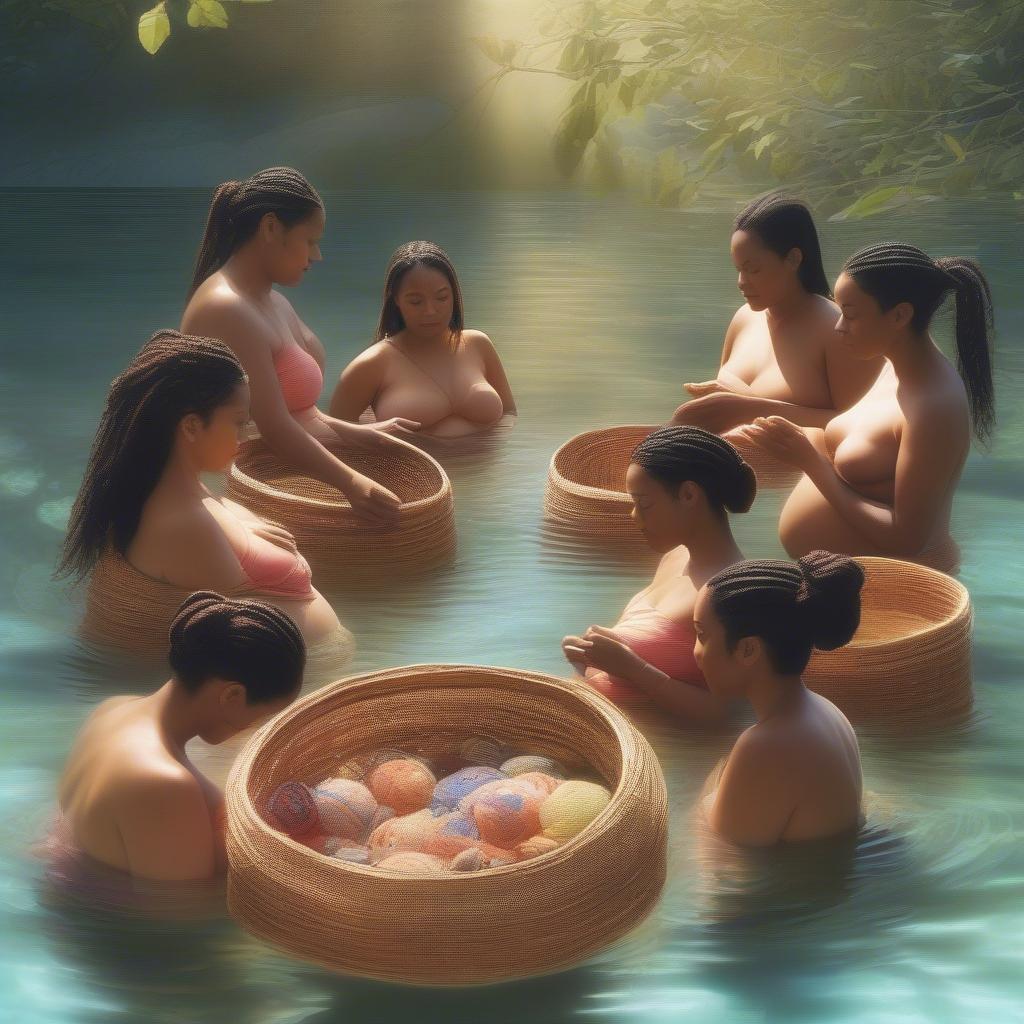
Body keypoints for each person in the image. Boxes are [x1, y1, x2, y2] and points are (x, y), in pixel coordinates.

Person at [57, 330, 342, 645]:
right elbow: (242, 637)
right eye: (238, 422)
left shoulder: (183, 492)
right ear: (191, 426)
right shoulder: (182, 524)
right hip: (295, 679)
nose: (245, 435)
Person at [735, 243, 995, 569]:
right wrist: (765, 425)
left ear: (899, 315)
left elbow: (907, 539)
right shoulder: (893, 364)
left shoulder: (935, 408)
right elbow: (864, 442)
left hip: (896, 592)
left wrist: (811, 462)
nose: (838, 326)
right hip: (843, 582)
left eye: (851, 314)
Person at [182, 166, 417, 525]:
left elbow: (301, 412)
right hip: (237, 488)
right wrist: (352, 484)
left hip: (283, 466)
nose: (317, 255)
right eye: (310, 240)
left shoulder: (271, 300)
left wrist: (365, 435)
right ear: (271, 227)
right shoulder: (226, 308)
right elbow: (274, 427)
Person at [57, 592, 304, 881]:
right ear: (233, 695)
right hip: (113, 920)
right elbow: (178, 918)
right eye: (263, 715)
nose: (257, 728)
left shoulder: (111, 711)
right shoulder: (163, 783)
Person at [561, 426, 754, 725]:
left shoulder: (728, 594)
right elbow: (656, 649)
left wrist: (631, 667)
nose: (634, 517)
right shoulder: (674, 558)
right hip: (593, 719)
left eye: (644, 504)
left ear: (689, 495)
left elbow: (723, 713)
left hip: (639, 746)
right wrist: (589, 656)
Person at [674, 194, 883, 436]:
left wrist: (750, 409)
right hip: (725, 463)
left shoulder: (837, 329)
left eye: (753, 269)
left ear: (793, 259)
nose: (741, 282)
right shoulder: (743, 318)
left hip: (798, 471)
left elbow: (862, 427)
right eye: (739, 269)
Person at [696, 551, 865, 846]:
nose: (696, 652)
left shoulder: (768, 744)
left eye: (701, 635)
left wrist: (709, 790)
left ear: (748, 650)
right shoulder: (827, 711)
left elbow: (724, 869)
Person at [329, 240, 516, 439]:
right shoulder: (373, 363)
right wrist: (377, 432)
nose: (430, 311)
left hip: (486, 468)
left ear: (454, 295)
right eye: (416, 301)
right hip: (411, 469)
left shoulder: (478, 344)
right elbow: (332, 434)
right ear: (396, 300)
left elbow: (509, 414)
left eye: (442, 298)